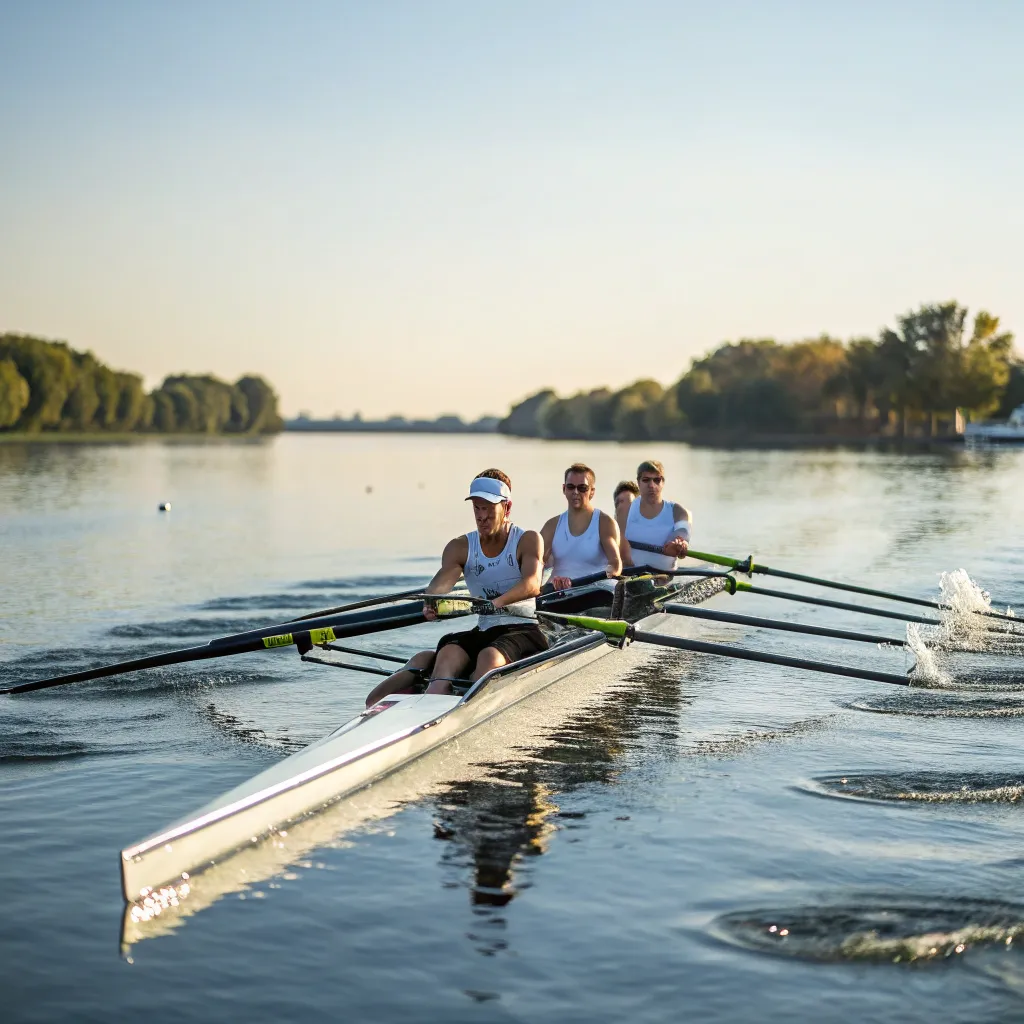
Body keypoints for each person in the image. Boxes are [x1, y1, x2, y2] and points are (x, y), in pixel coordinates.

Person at [364, 469, 547, 706]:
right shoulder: (460, 546)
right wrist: (432, 600)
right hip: (484, 630)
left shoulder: (527, 540)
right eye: (477, 509)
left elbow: (532, 584)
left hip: (523, 628)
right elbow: (444, 580)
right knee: (448, 653)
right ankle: (428, 711)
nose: (482, 517)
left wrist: (497, 603)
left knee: (489, 658)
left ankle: (470, 704)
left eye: (488, 509)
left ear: (507, 508)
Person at [539, 463, 623, 591]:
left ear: (592, 491)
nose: (576, 492)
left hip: (593, 591)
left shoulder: (605, 523)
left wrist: (606, 574)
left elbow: (616, 565)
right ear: (564, 489)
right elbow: (536, 564)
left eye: (582, 488)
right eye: (571, 487)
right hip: (557, 591)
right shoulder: (551, 526)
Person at [617, 459, 691, 572]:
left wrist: (678, 545)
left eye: (657, 480)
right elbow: (614, 541)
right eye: (646, 480)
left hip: (664, 577)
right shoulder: (625, 509)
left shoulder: (678, 511)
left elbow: (682, 534)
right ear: (638, 482)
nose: (651, 485)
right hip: (629, 576)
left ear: (663, 483)